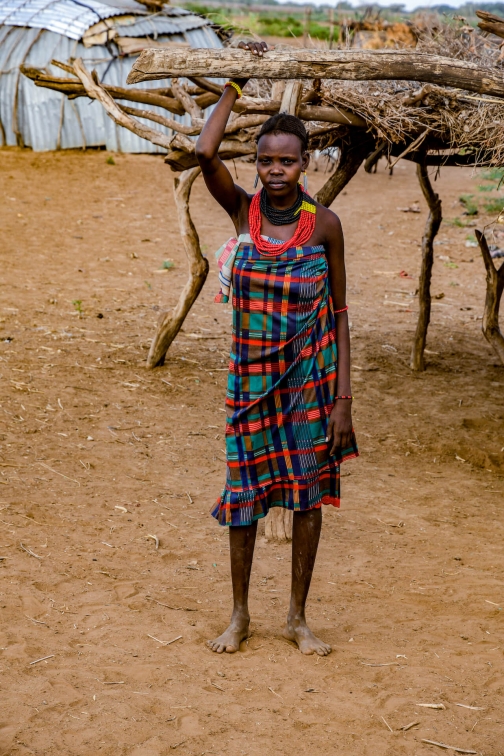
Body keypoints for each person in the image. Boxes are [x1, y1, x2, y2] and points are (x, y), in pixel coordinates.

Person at [196, 40, 358, 656]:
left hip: (311, 387)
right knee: (244, 497)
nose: (273, 170)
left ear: (306, 161)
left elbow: (342, 315)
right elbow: (205, 152)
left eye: (286, 161)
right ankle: (238, 616)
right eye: (265, 160)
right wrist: (233, 86)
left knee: (307, 498)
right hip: (251, 384)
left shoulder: (327, 226)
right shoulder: (244, 215)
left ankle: (296, 618)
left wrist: (343, 400)